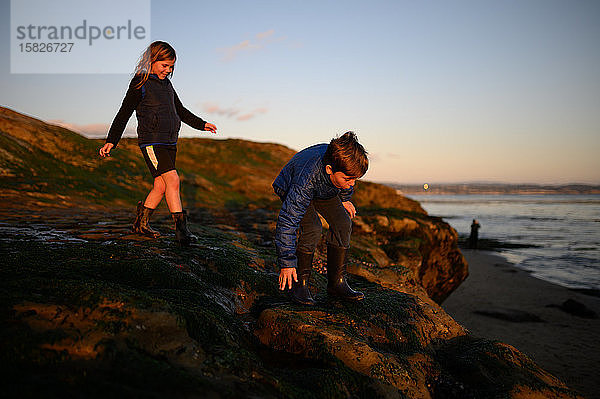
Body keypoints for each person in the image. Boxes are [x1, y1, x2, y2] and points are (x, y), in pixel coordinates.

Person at [99, 41, 217, 246]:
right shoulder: (140, 82)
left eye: (171, 67)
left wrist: (202, 124)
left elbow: (180, 111)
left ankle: (140, 224)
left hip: (170, 141)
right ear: (152, 60)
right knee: (173, 180)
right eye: (164, 66)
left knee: (161, 185)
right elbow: (124, 112)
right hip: (152, 142)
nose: (168, 70)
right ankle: (182, 233)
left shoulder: (167, 85)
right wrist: (112, 140)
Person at [273, 132, 369, 305]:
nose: (352, 183)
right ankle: (300, 285)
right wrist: (287, 262)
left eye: (355, 179)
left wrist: (345, 198)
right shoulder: (306, 178)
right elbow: (288, 220)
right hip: (292, 187)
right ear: (329, 169)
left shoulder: (342, 169)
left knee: (343, 222)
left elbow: (348, 182)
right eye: (348, 179)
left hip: (325, 188)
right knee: (313, 227)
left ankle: (336, 283)